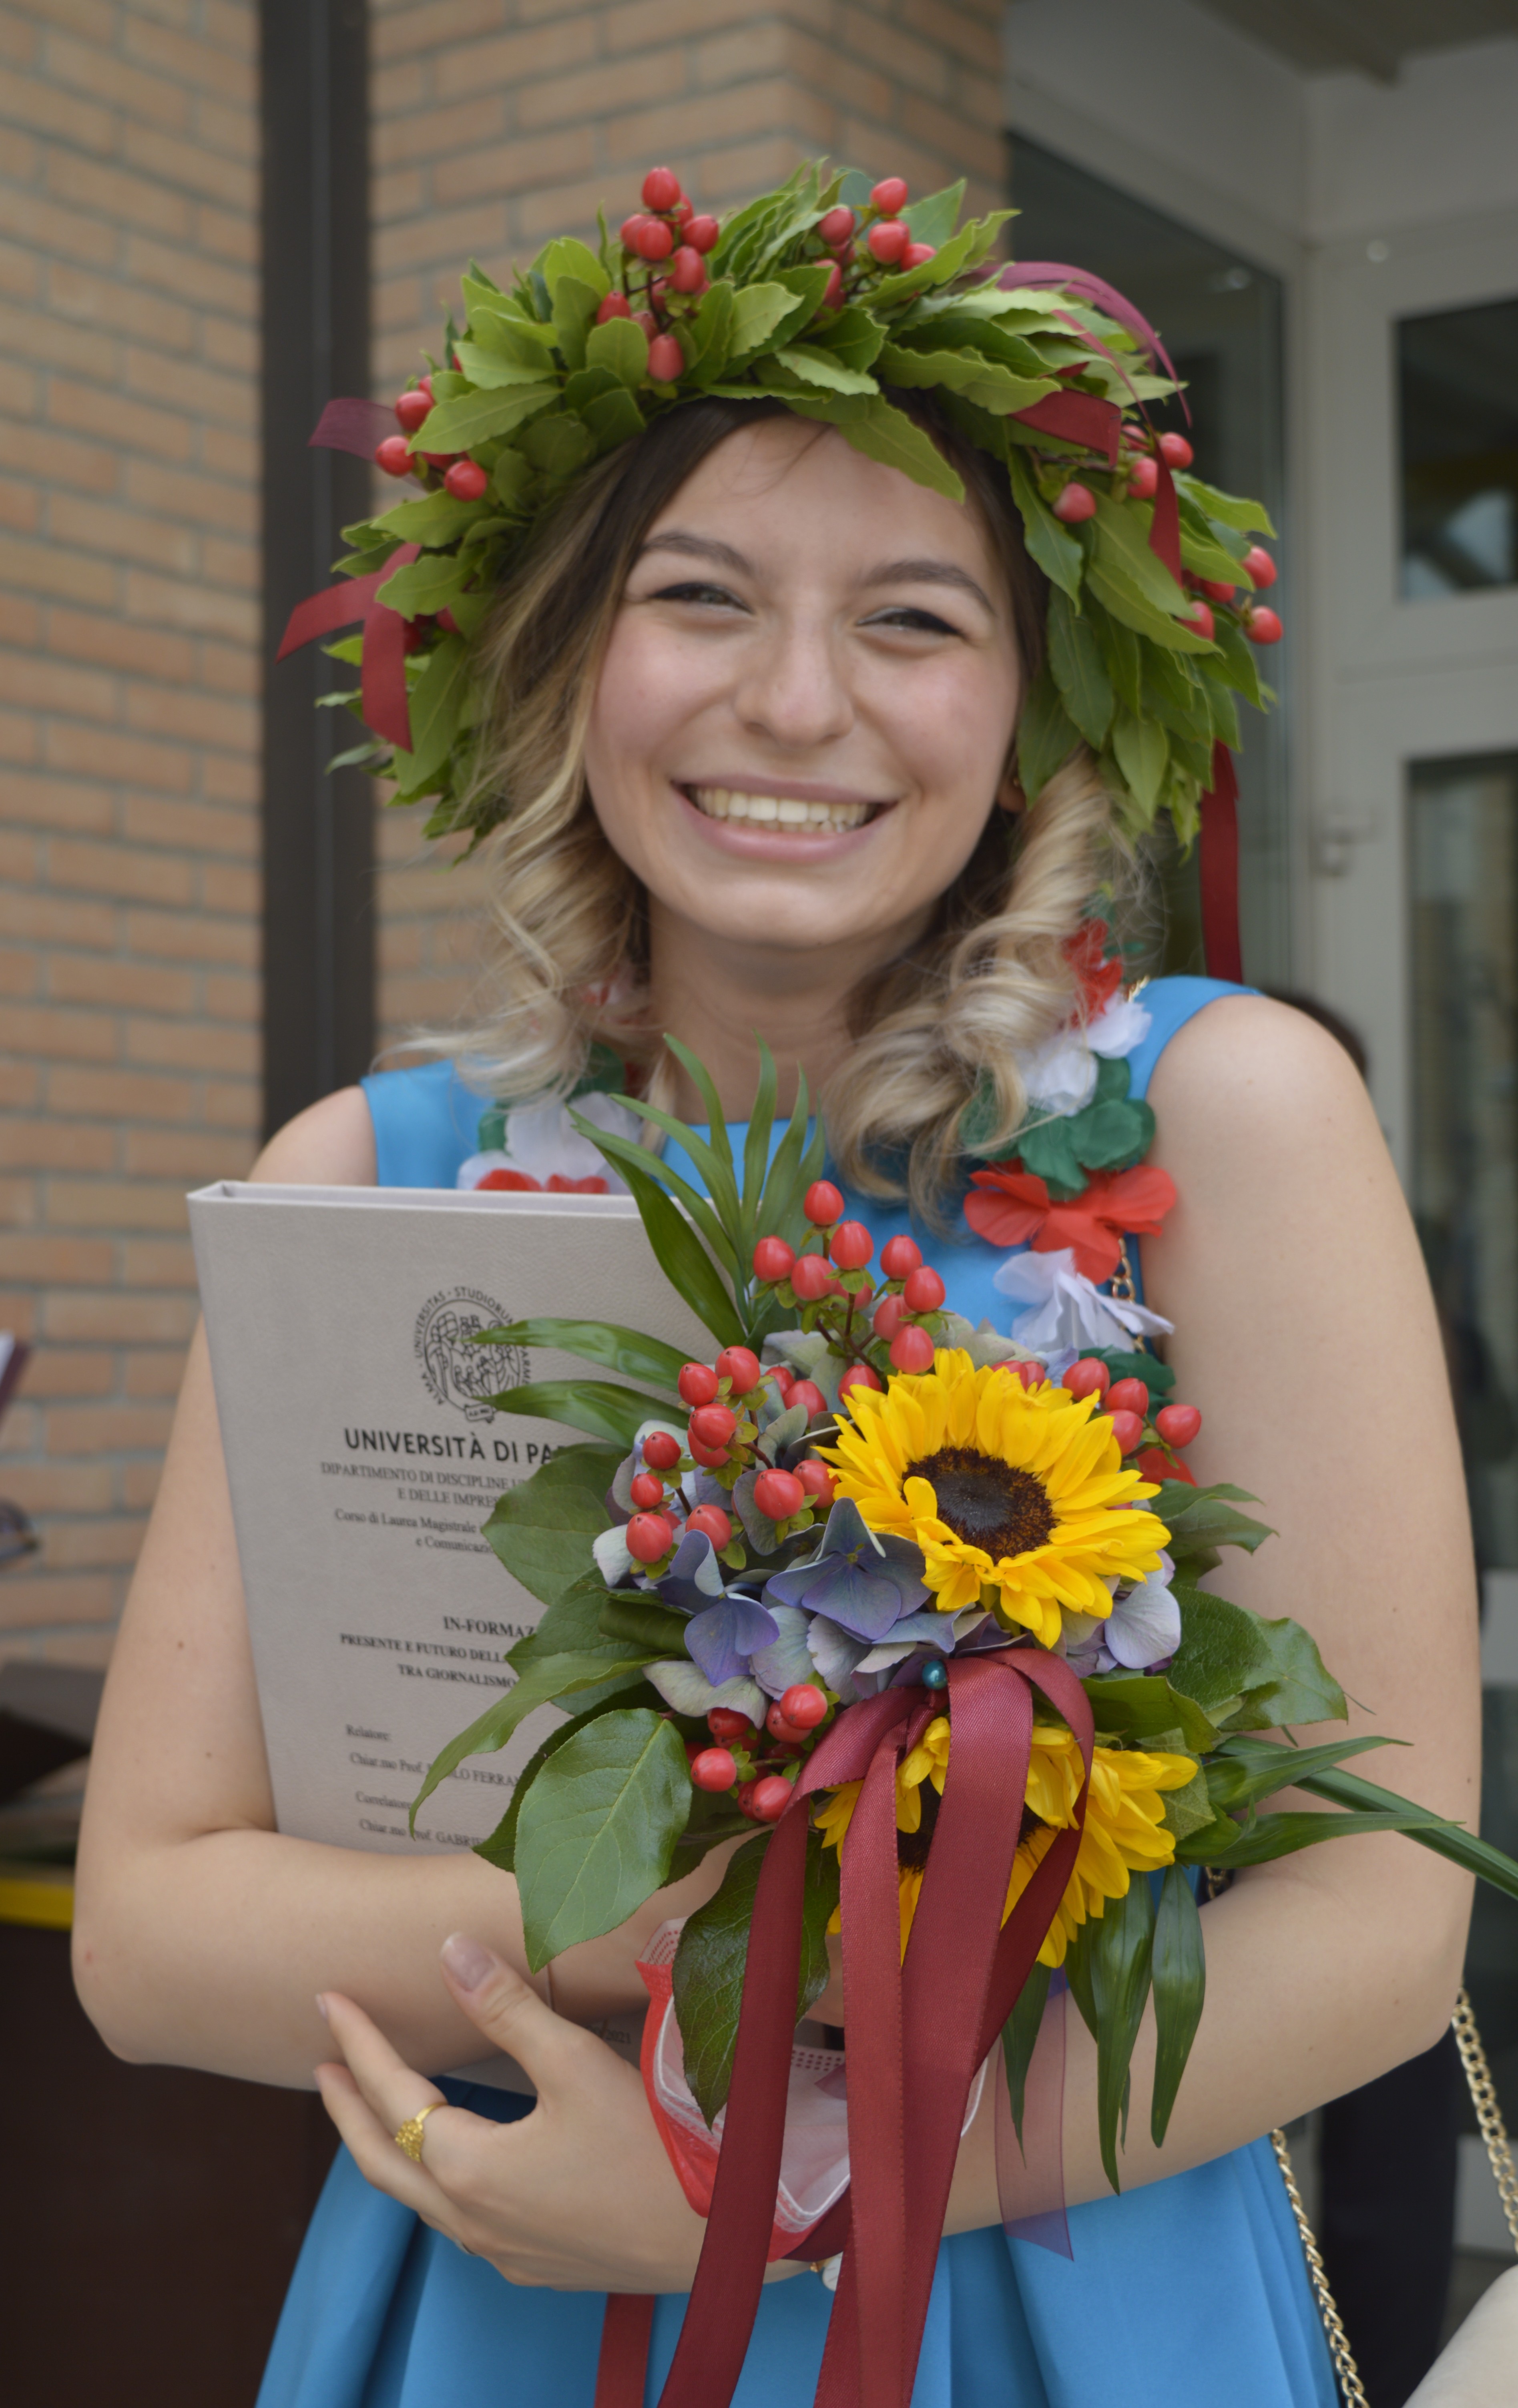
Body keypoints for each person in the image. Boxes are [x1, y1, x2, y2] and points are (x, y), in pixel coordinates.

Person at [72, 173, 1479, 2408]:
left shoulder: (1235, 1122)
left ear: (1031, 701)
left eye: (915, 620)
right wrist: (625, 1927)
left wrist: (827, 2187)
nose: (797, 701)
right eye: (701, 596)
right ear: (563, 658)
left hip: (1054, 2282)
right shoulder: (366, 1174)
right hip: (518, 2279)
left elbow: (1384, 1922)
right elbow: (147, 1937)